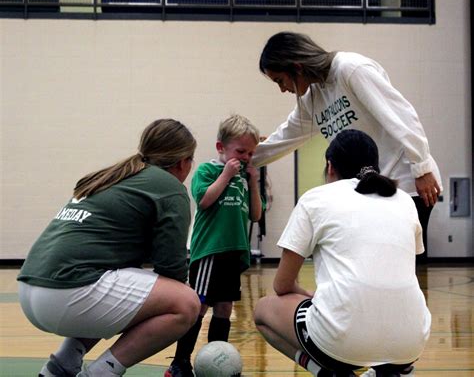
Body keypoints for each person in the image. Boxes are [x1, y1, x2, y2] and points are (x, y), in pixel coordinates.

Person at [17, 119, 201, 377]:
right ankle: (102, 372)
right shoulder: (170, 189)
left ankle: (60, 365)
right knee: (186, 303)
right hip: (66, 292)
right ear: (183, 162)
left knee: (134, 294)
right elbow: (172, 269)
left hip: (29, 288)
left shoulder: (115, 175)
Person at [254, 129, 431, 377]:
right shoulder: (404, 200)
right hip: (412, 341)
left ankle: (330, 374)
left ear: (330, 167)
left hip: (339, 342)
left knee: (263, 310)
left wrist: (310, 296)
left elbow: (282, 285)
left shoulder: (315, 198)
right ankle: (393, 371)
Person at [253, 31, 442, 261]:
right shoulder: (312, 99)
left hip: (407, 184)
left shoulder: (350, 69)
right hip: (372, 191)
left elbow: (401, 116)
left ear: (297, 67)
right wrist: (243, 160)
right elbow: (283, 138)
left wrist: (421, 168)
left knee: (402, 269)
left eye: (280, 81)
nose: (282, 90)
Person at [166, 114, 263, 377]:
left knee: (225, 308)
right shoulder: (208, 170)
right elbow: (204, 200)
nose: (245, 157)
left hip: (234, 252)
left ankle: (216, 363)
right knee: (199, 306)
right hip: (211, 251)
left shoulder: (244, 178)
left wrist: (253, 182)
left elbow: (256, 215)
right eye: (240, 151)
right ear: (221, 148)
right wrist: (226, 175)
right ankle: (179, 362)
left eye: (250, 153)